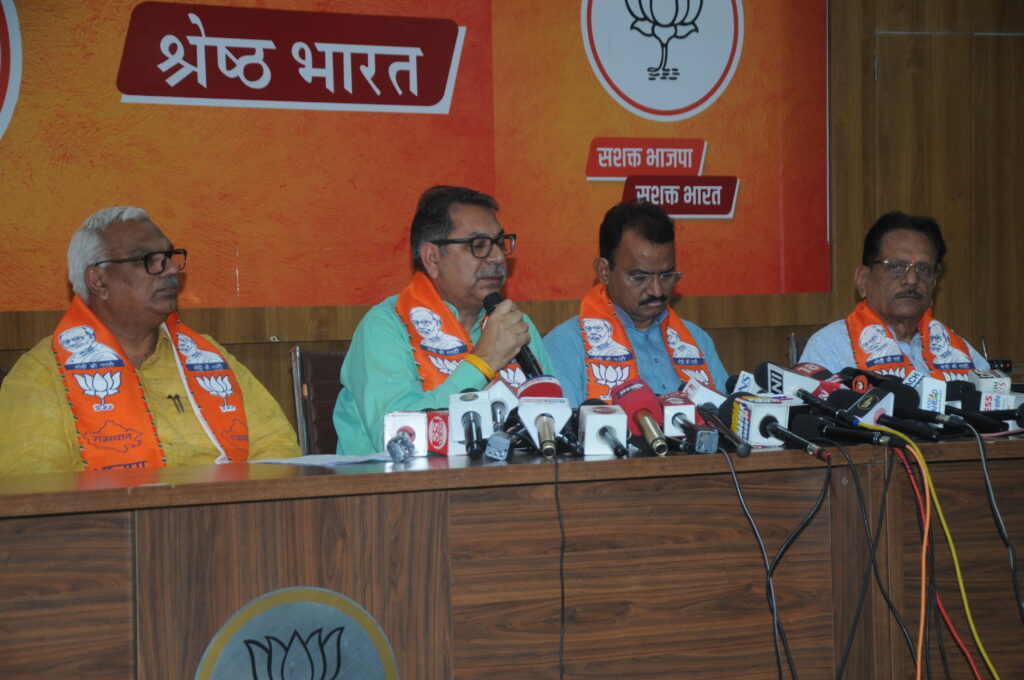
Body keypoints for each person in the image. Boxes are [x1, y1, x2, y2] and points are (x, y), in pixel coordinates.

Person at [0, 207, 300, 475]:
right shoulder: (41, 375)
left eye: (169, 257)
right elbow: (34, 492)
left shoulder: (208, 359)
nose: (171, 269)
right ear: (98, 281)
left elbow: (278, 448)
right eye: (148, 260)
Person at [332, 185, 553, 455]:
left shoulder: (514, 324)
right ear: (432, 258)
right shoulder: (386, 326)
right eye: (479, 245)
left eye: (499, 242)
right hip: (403, 481)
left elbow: (556, 423)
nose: (497, 257)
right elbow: (396, 439)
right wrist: (482, 363)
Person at [544, 201, 727, 404]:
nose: (657, 291)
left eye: (666, 276)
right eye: (640, 278)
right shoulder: (567, 344)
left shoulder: (696, 340)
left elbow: (725, 417)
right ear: (604, 271)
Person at [800, 210, 989, 378]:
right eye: (896, 266)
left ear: (934, 283)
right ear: (863, 279)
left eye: (924, 269)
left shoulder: (961, 352)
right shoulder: (830, 347)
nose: (912, 280)